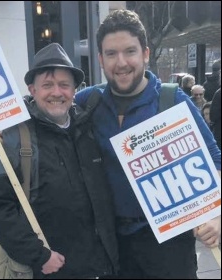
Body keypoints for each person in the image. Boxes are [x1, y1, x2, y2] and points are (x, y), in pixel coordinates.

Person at [74, 9, 221, 279]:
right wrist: (7, 132)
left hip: (170, 244)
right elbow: (49, 109)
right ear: (100, 59)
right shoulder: (89, 101)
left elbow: (215, 159)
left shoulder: (172, 100)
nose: (121, 62)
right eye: (111, 54)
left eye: (129, 51)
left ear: (145, 53)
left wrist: (216, 217)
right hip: (113, 245)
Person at [0, 42, 119, 279]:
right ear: (32, 90)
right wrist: (37, 256)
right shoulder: (14, 138)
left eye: (64, 85)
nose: (57, 92)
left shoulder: (88, 129)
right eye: (47, 85)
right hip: (49, 271)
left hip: (100, 268)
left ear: (75, 90)